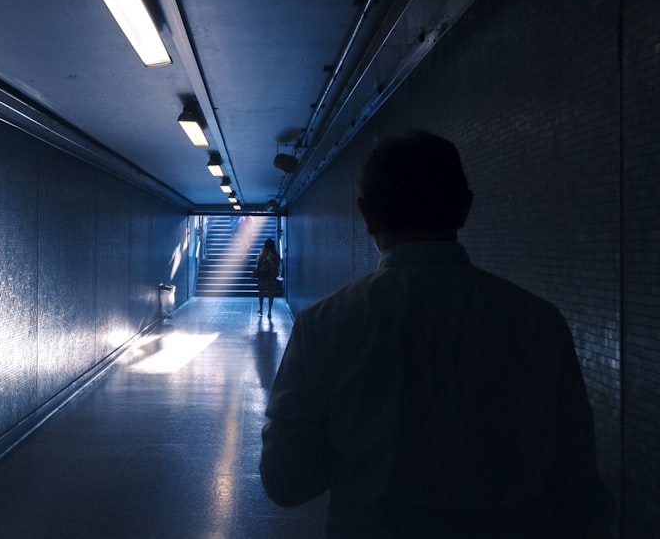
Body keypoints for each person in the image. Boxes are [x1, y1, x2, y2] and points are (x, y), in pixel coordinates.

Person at [260, 131, 612, 538]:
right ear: (464, 208)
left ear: (367, 214)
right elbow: (578, 489)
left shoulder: (325, 325)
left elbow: (284, 480)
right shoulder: (537, 322)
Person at [253, 238, 280, 318]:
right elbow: (277, 263)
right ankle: (269, 311)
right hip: (271, 276)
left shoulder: (263, 252)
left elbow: (258, 261)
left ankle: (261, 309)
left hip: (262, 276)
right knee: (270, 293)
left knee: (261, 292)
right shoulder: (274, 253)